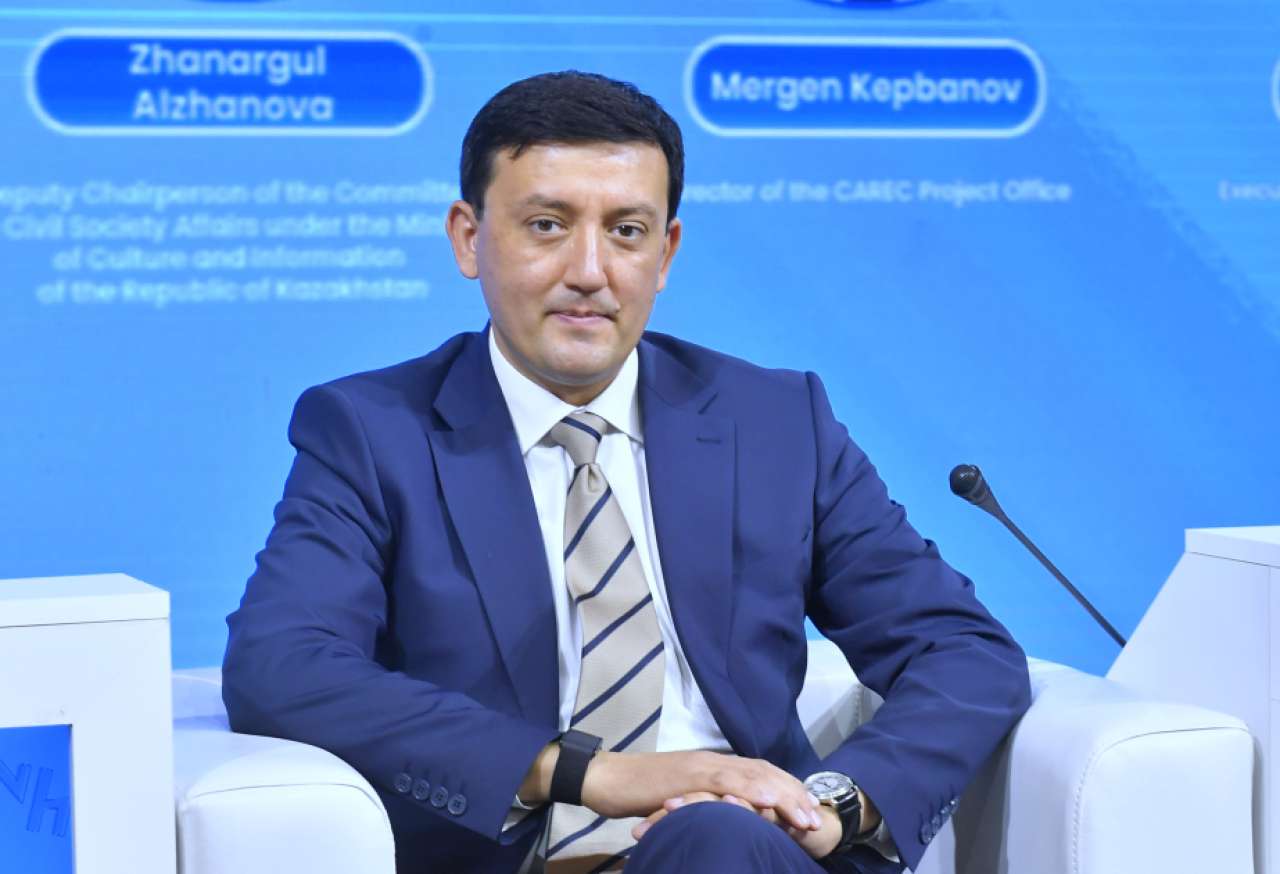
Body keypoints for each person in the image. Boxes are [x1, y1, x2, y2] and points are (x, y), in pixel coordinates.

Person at [223, 70, 1031, 874]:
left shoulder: (777, 423)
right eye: (547, 225)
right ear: (469, 238)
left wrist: (832, 804)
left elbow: (962, 649)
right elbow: (281, 662)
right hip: (520, 857)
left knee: (716, 840)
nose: (590, 270)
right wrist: (589, 774)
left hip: (750, 853)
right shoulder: (374, 432)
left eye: (627, 231)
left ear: (666, 251)